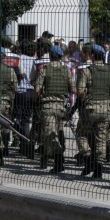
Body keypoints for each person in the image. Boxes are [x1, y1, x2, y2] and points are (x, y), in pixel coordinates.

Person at [76, 44, 110, 179]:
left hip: (91, 108)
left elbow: (80, 91)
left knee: (81, 132)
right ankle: (99, 169)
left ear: (92, 55)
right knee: (101, 138)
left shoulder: (87, 71)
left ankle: (87, 157)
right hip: (106, 109)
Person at [34, 44, 74, 173]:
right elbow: (73, 89)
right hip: (61, 106)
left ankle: (58, 161)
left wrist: (36, 101)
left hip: (48, 106)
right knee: (56, 132)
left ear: (50, 56)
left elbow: (37, 89)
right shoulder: (66, 70)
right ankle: (48, 158)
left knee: (49, 135)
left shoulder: (45, 70)